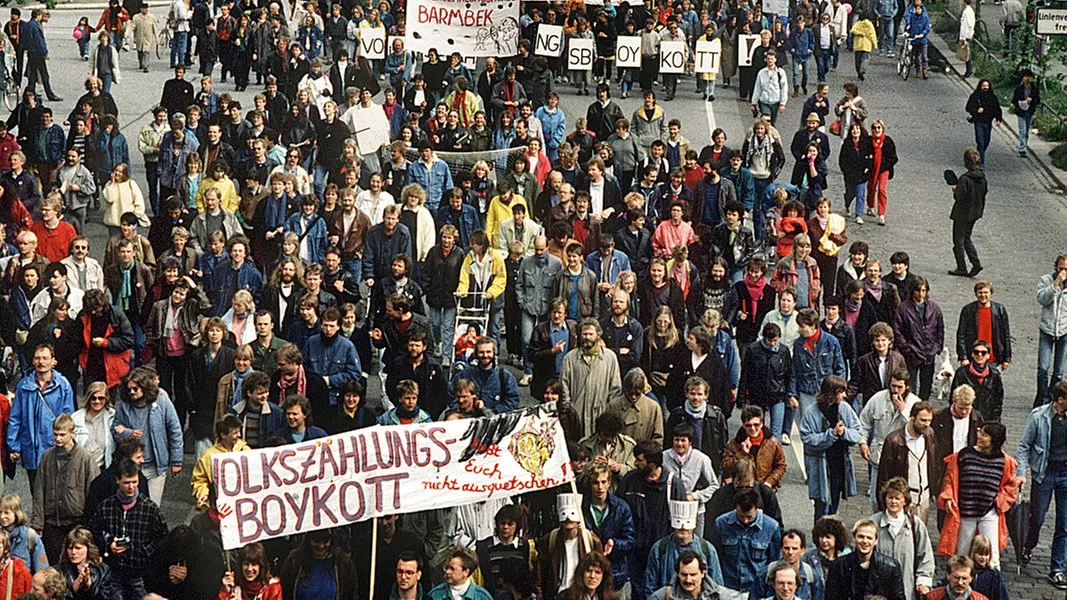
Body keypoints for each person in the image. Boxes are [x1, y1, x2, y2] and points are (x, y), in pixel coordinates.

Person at [937, 421, 1019, 571]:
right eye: (980, 432)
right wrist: (948, 498)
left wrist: (998, 502)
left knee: (992, 553)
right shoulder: (964, 455)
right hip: (965, 513)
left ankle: (992, 583)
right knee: (962, 553)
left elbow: (1011, 484)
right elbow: (950, 479)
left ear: (995, 440)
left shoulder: (1004, 461)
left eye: (985, 434)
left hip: (989, 512)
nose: (979, 436)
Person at [87, 458, 169, 600]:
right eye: (126, 482)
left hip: (140, 573)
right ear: (117, 480)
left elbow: (163, 538)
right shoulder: (106, 507)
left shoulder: (149, 509)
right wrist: (107, 545)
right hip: (113, 571)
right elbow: (92, 532)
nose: (131, 487)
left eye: (134, 482)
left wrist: (144, 552)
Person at [618, 440, 688, 600]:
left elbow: (682, 520)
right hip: (635, 552)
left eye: (639, 460)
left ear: (652, 462)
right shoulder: (630, 480)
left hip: (662, 552)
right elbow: (619, 510)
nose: (635, 463)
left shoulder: (673, 484)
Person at [32, 414, 99, 566]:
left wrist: (90, 525)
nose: (58, 438)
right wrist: (38, 523)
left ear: (72, 433)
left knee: (76, 564)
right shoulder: (47, 457)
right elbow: (39, 491)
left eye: (62, 434)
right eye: (55, 434)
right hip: (52, 522)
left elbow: (93, 493)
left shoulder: (85, 458)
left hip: (76, 522)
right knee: (53, 564)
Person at [9, 344, 75, 493]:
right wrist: (14, 446)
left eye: (45, 358)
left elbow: (68, 418)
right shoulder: (23, 386)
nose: (41, 362)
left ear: (53, 361)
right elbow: (15, 418)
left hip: (54, 448)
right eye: (37, 358)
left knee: (56, 494)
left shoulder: (62, 385)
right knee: (36, 493)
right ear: (32, 361)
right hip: (31, 450)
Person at [112, 367, 183, 505]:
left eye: (135, 389)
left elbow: (174, 430)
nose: (131, 392)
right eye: (129, 389)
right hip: (131, 466)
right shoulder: (123, 405)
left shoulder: (161, 400)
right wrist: (128, 433)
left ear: (145, 387)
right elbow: (115, 430)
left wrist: (176, 460)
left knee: (152, 505)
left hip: (155, 466)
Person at [799, 375, 860, 520]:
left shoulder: (844, 408)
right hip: (820, 464)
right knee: (821, 506)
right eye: (841, 392)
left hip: (839, 463)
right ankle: (818, 537)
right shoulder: (811, 412)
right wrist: (830, 435)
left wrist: (844, 432)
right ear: (831, 393)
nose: (844, 395)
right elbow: (807, 438)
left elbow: (857, 431)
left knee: (834, 503)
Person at [710, 487, 781, 597]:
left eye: (749, 517)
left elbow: (774, 563)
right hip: (727, 588)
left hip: (757, 590)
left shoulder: (771, 527)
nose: (745, 520)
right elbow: (714, 557)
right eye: (741, 516)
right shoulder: (721, 523)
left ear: (757, 509)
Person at [561, 319, 623, 439]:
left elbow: (615, 387)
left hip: (600, 415)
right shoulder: (570, 358)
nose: (587, 337)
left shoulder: (610, 358)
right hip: (577, 416)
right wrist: (569, 409)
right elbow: (564, 385)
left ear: (598, 335)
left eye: (591, 334)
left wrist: (609, 412)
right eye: (584, 334)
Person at [824, 519, 904, 600]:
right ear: (854, 538)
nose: (865, 541)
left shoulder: (890, 567)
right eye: (861, 537)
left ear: (876, 541)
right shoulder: (838, 566)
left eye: (869, 538)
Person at [279, 529, 359, 600]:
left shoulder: (343, 563)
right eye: (316, 541)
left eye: (325, 541)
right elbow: (284, 591)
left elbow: (352, 594)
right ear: (308, 540)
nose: (321, 546)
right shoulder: (294, 560)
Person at [723, 405, 787, 489]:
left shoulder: (772, 442)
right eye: (748, 425)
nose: (752, 428)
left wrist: (769, 482)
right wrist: (742, 454)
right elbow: (725, 467)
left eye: (756, 425)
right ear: (743, 425)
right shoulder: (734, 444)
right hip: (741, 489)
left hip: (764, 488)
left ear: (762, 424)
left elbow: (780, 465)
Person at [750, 530, 824, 600]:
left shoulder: (811, 576)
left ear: (802, 550)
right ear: (781, 549)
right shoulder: (765, 574)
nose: (790, 552)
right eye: (786, 548)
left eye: (794, 548)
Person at [948, 148, 987, 278]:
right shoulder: (982, 178)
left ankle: (961, 267)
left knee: (958, 240)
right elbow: (984, 192)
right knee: (967, 237)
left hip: (962, 213)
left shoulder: (965, 179)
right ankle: (975, 263)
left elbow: (959, 196)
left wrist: (955, 189)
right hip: (975, 213)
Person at [57, 527, 118, 600]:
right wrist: (72, 590)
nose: (73, 552)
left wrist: (90, 586)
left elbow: (108, 597)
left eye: (78, 548)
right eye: (70, 548)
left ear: (88, 548)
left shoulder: (103, 571)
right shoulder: (59, 571)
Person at [951, 341, 1005, 423]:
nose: (979, 355)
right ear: (972, 354)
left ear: (988, 356)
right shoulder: (962, 373)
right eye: (976, 352)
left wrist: (994, 421)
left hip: (987, 420)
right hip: (966, 419)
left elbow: (998, 401)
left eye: (983, 353)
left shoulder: (994, 375)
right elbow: (953, 398)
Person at [427, 548, 494, 600]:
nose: (447, 572)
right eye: (447, 568)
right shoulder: (435, 595)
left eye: (452, 569)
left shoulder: (481, 596)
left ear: (466, 572)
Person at [924, 555, 988, 600]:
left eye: (964, 578)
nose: (960, 582)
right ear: (948, 575)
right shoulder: (932, 597)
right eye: (956, 578)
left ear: (971, 578)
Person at [1013, 68, 1039, 157]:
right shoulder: (1019, 89)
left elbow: (1037, 99)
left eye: (1029, 77)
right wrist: (1020, 103)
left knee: (1027, 130)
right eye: (1025, 76)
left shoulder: (1034, 88)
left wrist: (1031, 101)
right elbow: (1014, 100)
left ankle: (1024, 144)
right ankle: (1022, 149)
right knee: (1022, 130)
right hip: (1021, 112)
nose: (1027, 79)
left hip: (1029, 111)